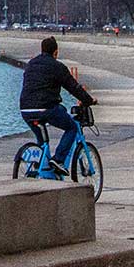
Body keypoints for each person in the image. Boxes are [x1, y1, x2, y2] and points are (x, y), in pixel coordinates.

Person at [19, 35, 96, 179]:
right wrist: (89, 100)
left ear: (42, 50)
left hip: (26, 109)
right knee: (72, 127)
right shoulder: (57, 67)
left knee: (43, 138)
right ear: (55, 52)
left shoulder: (31, 64)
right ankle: (58, 160)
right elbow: (73, 87)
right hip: (45, 108)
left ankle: (42, 164)